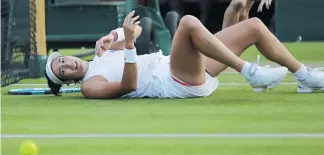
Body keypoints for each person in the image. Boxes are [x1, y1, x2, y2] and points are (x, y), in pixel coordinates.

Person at [45, 11, 324, 99]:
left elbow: (136, 30)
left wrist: (115, 37)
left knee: (253, 26)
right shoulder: (89, 87)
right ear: (67, 81)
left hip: (179, 67)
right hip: (174, 83)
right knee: (188, 22)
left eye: (62, 60)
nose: (67, 64)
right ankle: (248, 72)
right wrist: (128, 46)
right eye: (62, 70)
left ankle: (304, 76)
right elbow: (128, 86)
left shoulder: (101, 53)